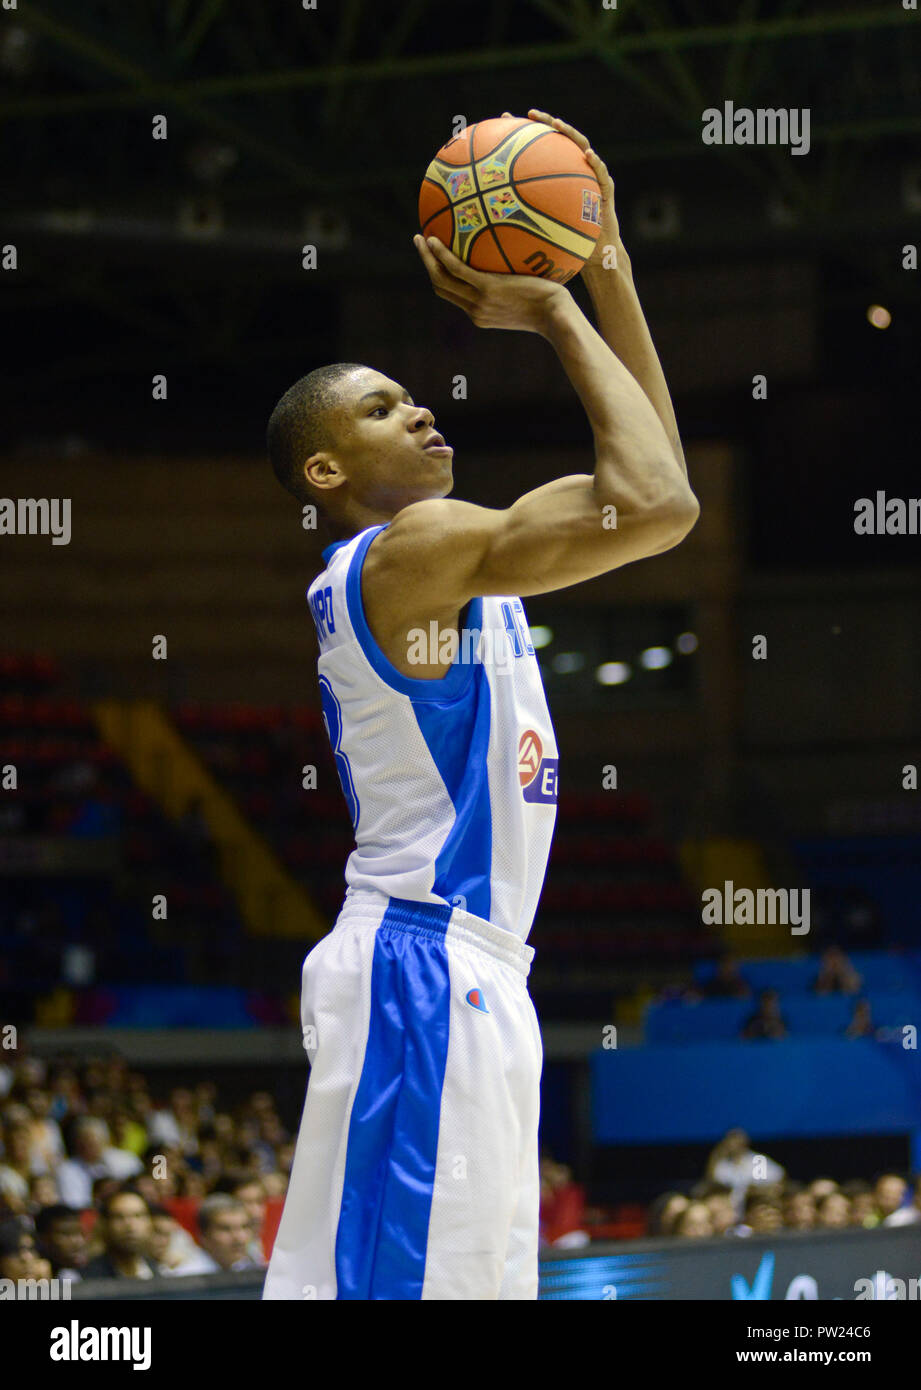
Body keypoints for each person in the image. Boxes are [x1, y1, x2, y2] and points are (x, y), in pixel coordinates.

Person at [261, 108, 698, 1303]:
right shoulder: (413, 553)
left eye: (415, 395)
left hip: (477, 970)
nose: (422, 410)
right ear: (325, 472)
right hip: (420, 956)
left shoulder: (465, 555)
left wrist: (603, 264)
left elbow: (652, 476)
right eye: (383, 407)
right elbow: (659, 506)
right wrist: (555, 307)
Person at [56, 1116, 142, 1209]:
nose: (91, 1146)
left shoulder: (128, 1160)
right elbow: (73, 1203)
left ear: (106, 1140)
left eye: (96, 1140)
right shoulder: (67, 1169)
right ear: (77, 1143)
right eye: (86, 1142)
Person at [82, 1185, 160, 1281]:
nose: (130, 1226)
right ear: (105, 1224)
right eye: (119, 1217)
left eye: (138, 1216)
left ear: (149, 1223)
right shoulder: (80, 1277)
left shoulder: (160, 1271)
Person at [707, 1129, 785, 1217]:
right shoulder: (724, 1165)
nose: (733, 1145)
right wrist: (717, 1154)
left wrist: (758, 1190)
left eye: (737, 1141)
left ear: (744, 1143)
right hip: (731, 1209)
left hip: (755, 1207)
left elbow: (779, 1177)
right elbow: (712, 1182)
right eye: (730, 1141)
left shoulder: (757, 1160)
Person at [34, 1203, 89, 1281]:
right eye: (66, 1234)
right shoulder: (30, 1278)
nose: (78, 1242)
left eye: (79, 1233)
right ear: (43, 1239)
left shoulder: (96, 1272)